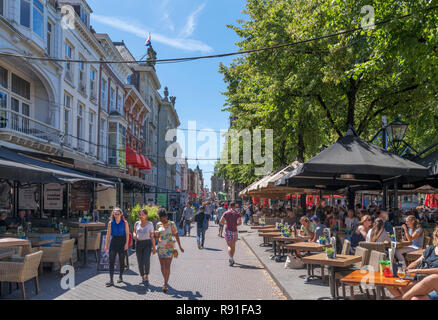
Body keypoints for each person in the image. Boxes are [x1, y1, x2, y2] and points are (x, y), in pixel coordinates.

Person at [386, 226, 438, 299]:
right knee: (391, 284)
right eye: (437, 235)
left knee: (405, 288)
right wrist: (407, 268)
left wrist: (417, 270)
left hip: (429, 280)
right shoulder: (431, 249)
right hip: (418, 276)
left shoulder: (419, 229)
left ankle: (402, 298)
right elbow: (417, 262)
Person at [155, 208, 184, 292]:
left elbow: (176, 235)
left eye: (163, 218)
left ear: (166, 217)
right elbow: (157, 236)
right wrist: (156, 237)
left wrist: (180, 246)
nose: (162, 220)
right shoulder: (158, 225)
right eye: (160, 218)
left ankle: (165, 283)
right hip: (160, 248)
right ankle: (165, 279)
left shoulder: (172, 224)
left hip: (169, 248)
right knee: (162, 266)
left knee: (167, 266)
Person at [105, 208, 130, 287]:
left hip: (122, 242)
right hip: (114, 241)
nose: (116, 215)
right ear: (113, 214)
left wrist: (126, 244)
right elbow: (108, 235)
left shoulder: (125, 222)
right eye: (115, 214)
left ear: (121, 214)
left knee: (121, 261)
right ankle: (111, 280)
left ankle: (120, 276)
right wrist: (106, 245)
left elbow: (127, 234)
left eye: (118, 214)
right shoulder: (110, 223)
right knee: (111, 261)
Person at [133, 208, 156, 286]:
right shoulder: (136, 223)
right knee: (140, 262)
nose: (141, 216)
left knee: (146, 260)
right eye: (140, 214)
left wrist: (154, 247)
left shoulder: (150, 224)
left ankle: (146, 276)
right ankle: (143, 278)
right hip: (138, 244)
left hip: (147, 244)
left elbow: (152, 236)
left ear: (146, 215)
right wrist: (134, 235)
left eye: (143, 214)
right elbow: (134, 232)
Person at [219, 202, 242, 266]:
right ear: (234, 206)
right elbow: (240, 222)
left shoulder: (226, 213)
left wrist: (226, 224)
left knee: (229, 246)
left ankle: (231, 258)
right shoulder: (237, 213)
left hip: (228, 230)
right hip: (234, 231)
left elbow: (221, 221)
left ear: (229, 206)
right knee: (233, 245)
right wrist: (235, 225)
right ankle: (232, 258)